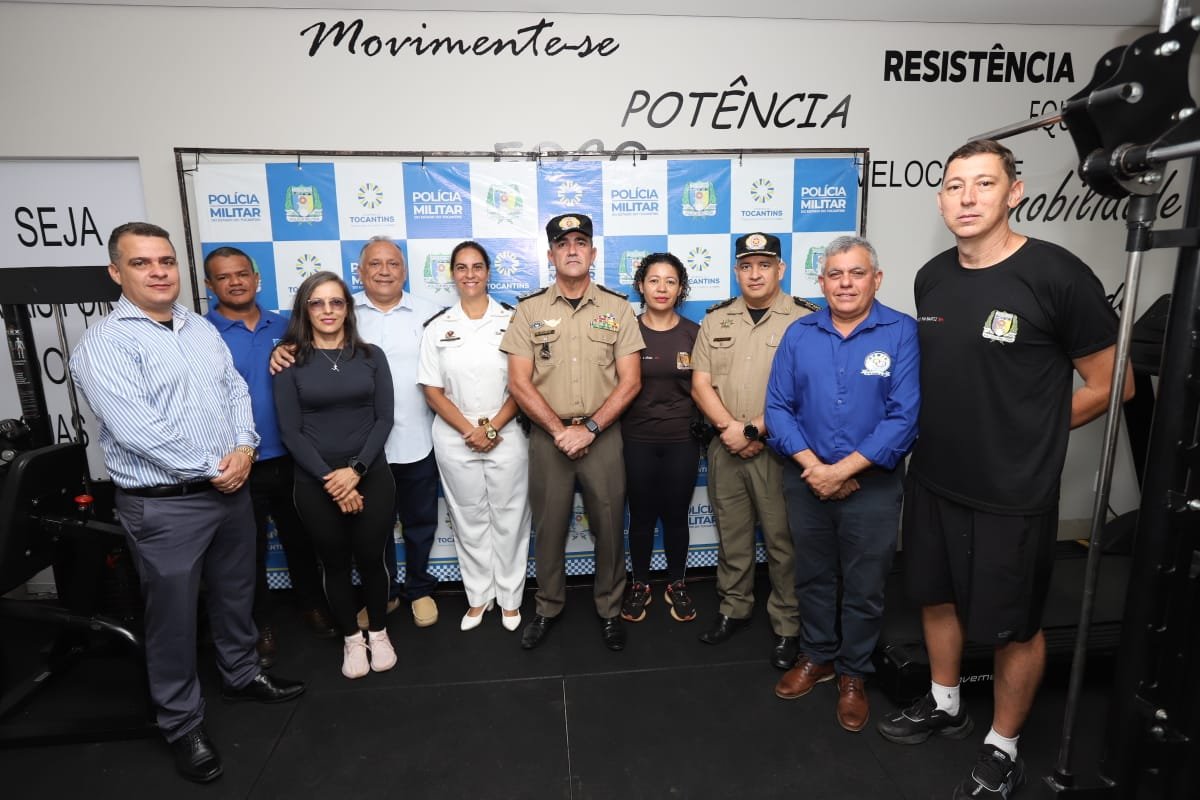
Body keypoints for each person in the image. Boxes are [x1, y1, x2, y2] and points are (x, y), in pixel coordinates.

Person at [875, 140, 1131, 800]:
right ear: (940, 200)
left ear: (1013, 193)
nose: (967, 197)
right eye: (954, 185)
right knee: (933, 595)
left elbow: (1116, 384)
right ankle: (946, 702)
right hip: (933, 476)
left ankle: (1004, 745)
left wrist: (1032, 432)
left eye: (983, 183)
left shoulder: (1057, 275)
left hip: (1013, 491)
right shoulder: (932, 276)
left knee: (1014, 624)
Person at [69, 222, 304, 784]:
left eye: (166, 261)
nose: (158, 272)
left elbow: (235, 391)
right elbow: (137, 430)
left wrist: (244, 448)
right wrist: (214, 468)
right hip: (166, 504)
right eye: (142, 263)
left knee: (235, 594)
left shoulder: (198, 326)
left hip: (230, 487)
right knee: (172, 621)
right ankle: (181, 723)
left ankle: (241, 675)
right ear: (116, 272)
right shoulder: (105, 344)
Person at [765, 236, 919, 732]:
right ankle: (818, 656)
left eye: (856, 273)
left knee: (865, 585)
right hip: (807, 479)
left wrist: (843, 471)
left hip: (872, 486)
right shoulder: (799, 333)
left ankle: (854, 672)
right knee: (812, 576)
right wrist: (817, 469)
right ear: (822, 281)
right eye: (835, 274)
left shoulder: (901, 332)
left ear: (877, 279)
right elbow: (777, 408)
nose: (846, 283)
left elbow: (904, 418)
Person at [273, 236, 443, 629]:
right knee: (373, 534)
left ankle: (419, 589)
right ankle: (384, 595)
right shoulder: (342, 310)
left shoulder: (430, 314)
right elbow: (304, 352)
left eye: (393, 264)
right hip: (362, 454)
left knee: (420, 521)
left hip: (416, 438)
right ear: (360, 271)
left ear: (404, 271)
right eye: (375, 264)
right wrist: (280, 350)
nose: (384, 271)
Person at [500, 213, 645, 651]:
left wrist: (591, 428)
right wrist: (559, 429)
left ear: (593, 252)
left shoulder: (617, 308)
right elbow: (518, 382)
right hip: (549, 437)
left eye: (580, 242)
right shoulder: (530, 310)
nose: (572, 250)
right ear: (550, 255)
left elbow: (631, 381)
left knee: (609, 525)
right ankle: (547, 607)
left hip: (603, 436)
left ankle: (610, 609)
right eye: (563, 244)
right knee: (548, 528)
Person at [204, 246, 337, 668]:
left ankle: (312, 605)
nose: (235, 282)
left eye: (242, 273)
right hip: (238, 464)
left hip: (294, 456)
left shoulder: (286, 326)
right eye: (224, 277)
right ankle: (260, 623)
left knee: (303, 539)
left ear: (256, 278)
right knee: (247, 551)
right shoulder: (201, 334)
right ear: (209, 285)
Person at [691, 232, 817, 670]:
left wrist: (751, 431)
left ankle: (787, 624)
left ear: (781, 269)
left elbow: (805, 389)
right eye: (746, 266)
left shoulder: (805, 319)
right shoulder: (716, 319)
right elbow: (701, 384)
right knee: (733, 536)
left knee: (782, 542)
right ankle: (734, 608)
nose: (755, 274)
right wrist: (730, 430)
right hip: (725, 446)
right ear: (736, 271)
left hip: (781, 449)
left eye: (764, 265)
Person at [272, 271, 398, 680]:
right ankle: (351, 639)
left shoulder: (371, 355)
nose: (327, 310)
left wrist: (356, 472)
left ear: (347, 308)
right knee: (335, 564)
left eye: (336, 302)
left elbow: (384, 419)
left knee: (373, 559)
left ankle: (378, 632)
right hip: (316, 482)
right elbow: (290, 432)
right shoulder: (289, 361)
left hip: (371, 475)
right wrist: (334, 480)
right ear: (305, 310)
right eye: (317, 302)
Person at [417, 241, 532, 632]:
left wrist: (492, 427)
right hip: (456, 434)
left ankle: (511, 599)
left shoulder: (512, 320)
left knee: (511, 517)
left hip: (506, 430)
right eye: (462, 267)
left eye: (477, 266)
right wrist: (471, 431)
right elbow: (432, 390)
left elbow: (524, 384)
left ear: (488, 272)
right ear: (452, 273)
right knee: (468, 518)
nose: (470, 274)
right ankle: (479, 597)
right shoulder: (437, 326)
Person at [619, 252, 702, 624]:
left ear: (680, 288)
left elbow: (704, 388)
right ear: (641, 285)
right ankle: (640, 583)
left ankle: (677, 583)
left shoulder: (694, 333)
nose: (662, 288)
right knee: (641, 516)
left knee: (676, 515)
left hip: (682, 439)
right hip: (635, 438)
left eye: (670, 281)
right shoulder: (627, 331)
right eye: (654, 280)